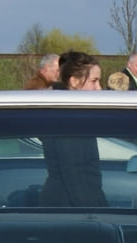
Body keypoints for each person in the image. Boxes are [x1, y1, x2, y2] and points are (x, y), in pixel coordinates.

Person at [40, 51, 106, 207]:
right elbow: (76, 176)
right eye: (94, 81)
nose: (99, 88)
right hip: (69, 211)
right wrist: (95, 216)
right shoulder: (68, 121)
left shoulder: (67, 115)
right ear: (74, 81)